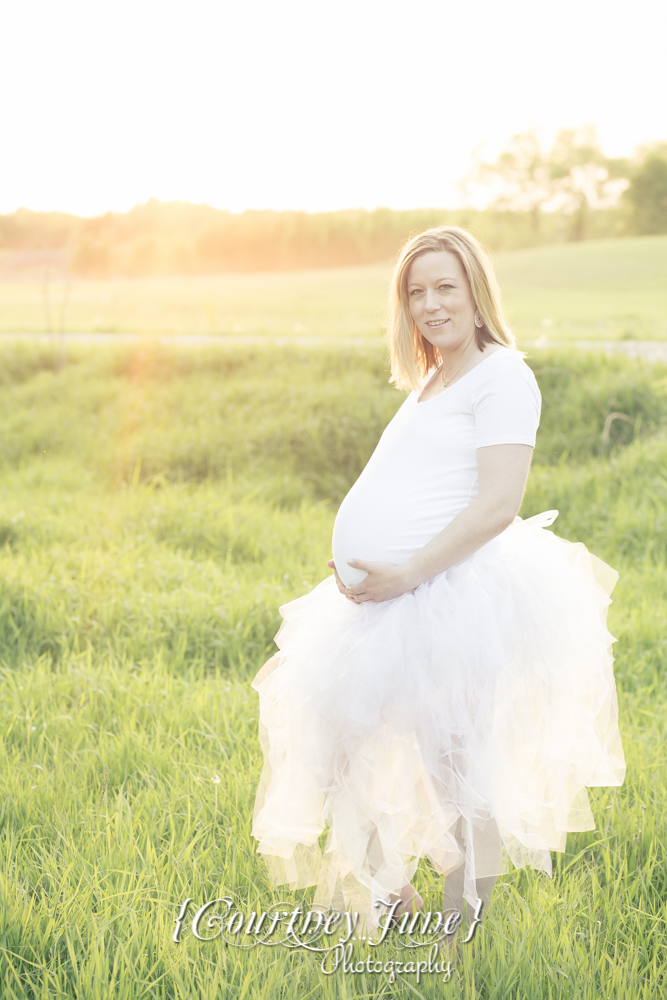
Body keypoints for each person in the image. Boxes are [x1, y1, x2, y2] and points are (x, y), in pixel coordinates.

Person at [250, 226, 625, 951]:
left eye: (443, 286)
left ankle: (457, 944)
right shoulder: (431, 377)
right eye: (415, 291)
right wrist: (362, 558)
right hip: (387, 595)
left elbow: (497, 503)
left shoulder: (501, 374)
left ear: (475, 290)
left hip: (445, 599)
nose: (429, 303)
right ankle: (397, 896)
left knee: (458, 775)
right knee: (334, 748)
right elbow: (416, 484)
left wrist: (402, 570)